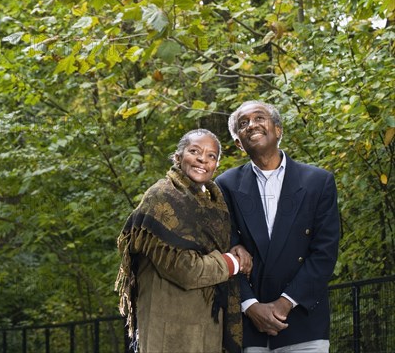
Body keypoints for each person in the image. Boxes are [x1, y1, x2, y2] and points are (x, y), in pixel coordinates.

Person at [215, 101, 340, 352]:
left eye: (259, 118)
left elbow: (325, 251)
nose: (252, 125)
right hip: (249, 326)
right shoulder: (225, 184)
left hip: (304, 318)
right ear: (239, 143)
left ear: (278, 130)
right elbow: (221, 249)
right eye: (243, 123)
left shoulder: (318, 181)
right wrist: (250, 306)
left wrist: (285, 303)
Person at [115, 129, 252, 353]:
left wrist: (233, 248)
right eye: (195, 151)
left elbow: (214, 247)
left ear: (216, 165)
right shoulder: (162, 197)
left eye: (211, 156)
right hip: (170, 331)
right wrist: (233, 263)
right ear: (178, 157)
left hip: (208, 328)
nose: (202, 159)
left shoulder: (214, 204)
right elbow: (185, 269)